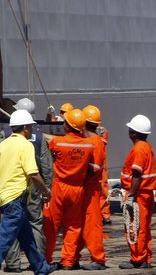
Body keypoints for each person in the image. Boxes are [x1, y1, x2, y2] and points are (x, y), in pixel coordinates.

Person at [0, 98, 53, 273]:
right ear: (25, 127)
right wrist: (46, 189)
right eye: (30, 126)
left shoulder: (3, 142)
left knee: (25, 235)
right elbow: (40, 170)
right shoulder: (30, 143)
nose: (31, 129)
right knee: (8, 235)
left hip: (6, 195)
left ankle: (38, 267)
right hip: (18, 196)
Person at [43, 109, 94, 269]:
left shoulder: (58, 143)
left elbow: (50, 145)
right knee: (73, 226)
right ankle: (68, 261)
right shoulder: (88, 145)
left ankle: (46, 259)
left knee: (51, 225)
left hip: (58, 188)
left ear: (68, 126)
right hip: (77, 189)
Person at [117, 114, 156, 270]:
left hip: (139, 194)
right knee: (144, 228)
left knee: (135, 227)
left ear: (134, 132)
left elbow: (136, 174)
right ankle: (145, 258)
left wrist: (131, 195)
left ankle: (138, 259)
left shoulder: (139, 149)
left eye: (130, 129)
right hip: (145, 194)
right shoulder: (146, 147)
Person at [77, 105, 107, 270]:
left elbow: (94, 169)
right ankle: (74, 256)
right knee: (80, 223)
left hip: (91, 188)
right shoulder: (90, 140)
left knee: (92, 224)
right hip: (85, 188)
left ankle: (98, 259)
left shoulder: (95, 142)